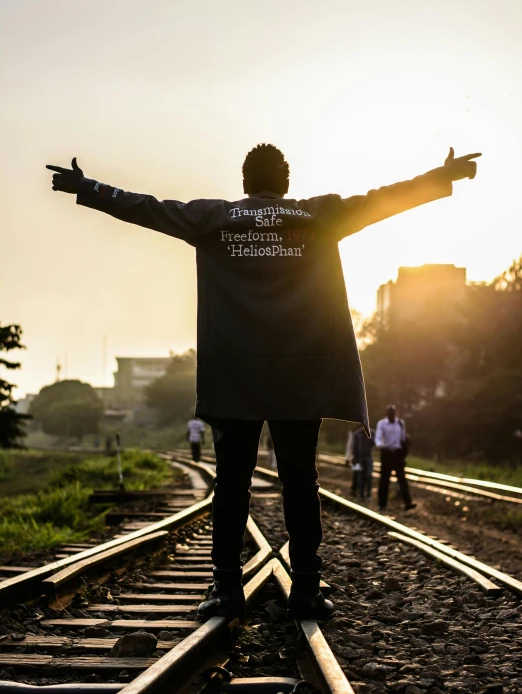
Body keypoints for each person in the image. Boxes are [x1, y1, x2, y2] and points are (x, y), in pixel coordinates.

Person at [47, 143, 480, 619]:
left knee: (232, 484)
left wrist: (87, 188)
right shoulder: (319, 216)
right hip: (302, 375)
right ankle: (307, 591)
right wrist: (442, 177)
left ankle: (226, 589)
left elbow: (144, 207)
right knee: (301, 482)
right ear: (286, 183)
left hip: (236, 376)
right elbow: (384, 198)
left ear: (245, 182)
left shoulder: (214, 219)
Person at [375, 405, 415, 511]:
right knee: (384, 480)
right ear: (386, 414)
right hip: (387, 453)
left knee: (402, 479)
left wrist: (406, 443)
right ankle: (382, 503)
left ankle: (408, 502)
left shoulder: (401, 424)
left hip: (397, 454)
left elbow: (403, 437)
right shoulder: (382, 424)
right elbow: (378, 438)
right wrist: (381, 446)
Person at [352, 425, 374, 500]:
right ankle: (361, 494)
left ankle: (368, 493)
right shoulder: (357, 434)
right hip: (359, 458)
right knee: (360, 476)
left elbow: (374, 443)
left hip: (368, 457)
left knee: (368, 476)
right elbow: (354, 448)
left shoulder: (372, 433)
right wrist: (355, 459)